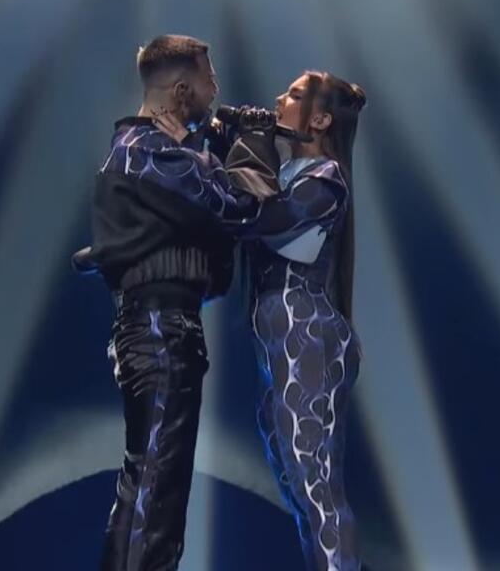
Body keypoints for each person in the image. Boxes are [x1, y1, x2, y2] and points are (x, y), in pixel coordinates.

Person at [75, 34, 277, 571]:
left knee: (147, 485)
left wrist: (203, 150)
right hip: (161, 330)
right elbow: (243, 207)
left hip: (156, 327)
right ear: (182, 90)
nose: (217, 90)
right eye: (210, 80)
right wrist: (250, 142)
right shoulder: (153, 152)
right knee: (156, 494)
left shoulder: (151, 151)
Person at [156, 70, 367, 570]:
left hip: (306, 332)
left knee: (315, 483)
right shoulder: (291, 172)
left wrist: (250, 145)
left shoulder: (325, 179)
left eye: (294, 94)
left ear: (321, 119)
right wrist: (223, 142)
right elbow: (236, 204)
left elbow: (262, 217)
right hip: (277, 341)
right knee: (296, 485)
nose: (278, 98)